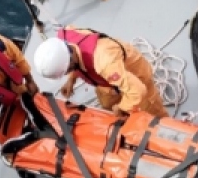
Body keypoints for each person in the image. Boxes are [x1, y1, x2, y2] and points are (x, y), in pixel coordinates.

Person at [33, 26, 169, 117]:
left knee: (153, 116)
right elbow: (72, 58)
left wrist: (122, 108)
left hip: (134, 77)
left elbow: (138, 90)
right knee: (107, 104)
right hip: (106, 83)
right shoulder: (65, 38)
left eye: (66, 71)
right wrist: (71, 80)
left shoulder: (104, 62)